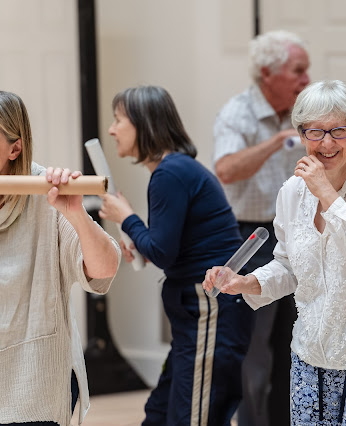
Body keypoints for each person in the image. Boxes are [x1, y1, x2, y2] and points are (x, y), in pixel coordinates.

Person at [204, 80, 346, 425]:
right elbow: (290, 267)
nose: (327, 143)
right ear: (301, 134)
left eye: (338, 130)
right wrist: (244, 282)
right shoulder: (291, 192)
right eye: (315, 132)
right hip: (313, 349)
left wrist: (325, 192)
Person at [99, 85, 253, 425]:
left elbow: (164, 253)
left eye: (118, 120)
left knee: (192, 419)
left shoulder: (170, 173)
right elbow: (172, 246)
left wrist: (127, 217)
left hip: (210, 305)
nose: (112, 129)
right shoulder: (173, 170)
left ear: (143, 124)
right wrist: (140, 241)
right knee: (159, 413)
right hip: (198, 313)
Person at [0, 91, 120, 425]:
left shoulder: (45, 193)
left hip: (34, 383)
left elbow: (104, 271)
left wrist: (76, 213)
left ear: (15, 148)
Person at [212, 29, 310, 426]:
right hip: (250, 237)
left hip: (299, 236)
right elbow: (225, 170)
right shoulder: (238, 112)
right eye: (297, 70)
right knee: (253, 349)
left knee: (294, 341)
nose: (306, 79)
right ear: (267, 74)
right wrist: (276, 142)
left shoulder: (306, 111)